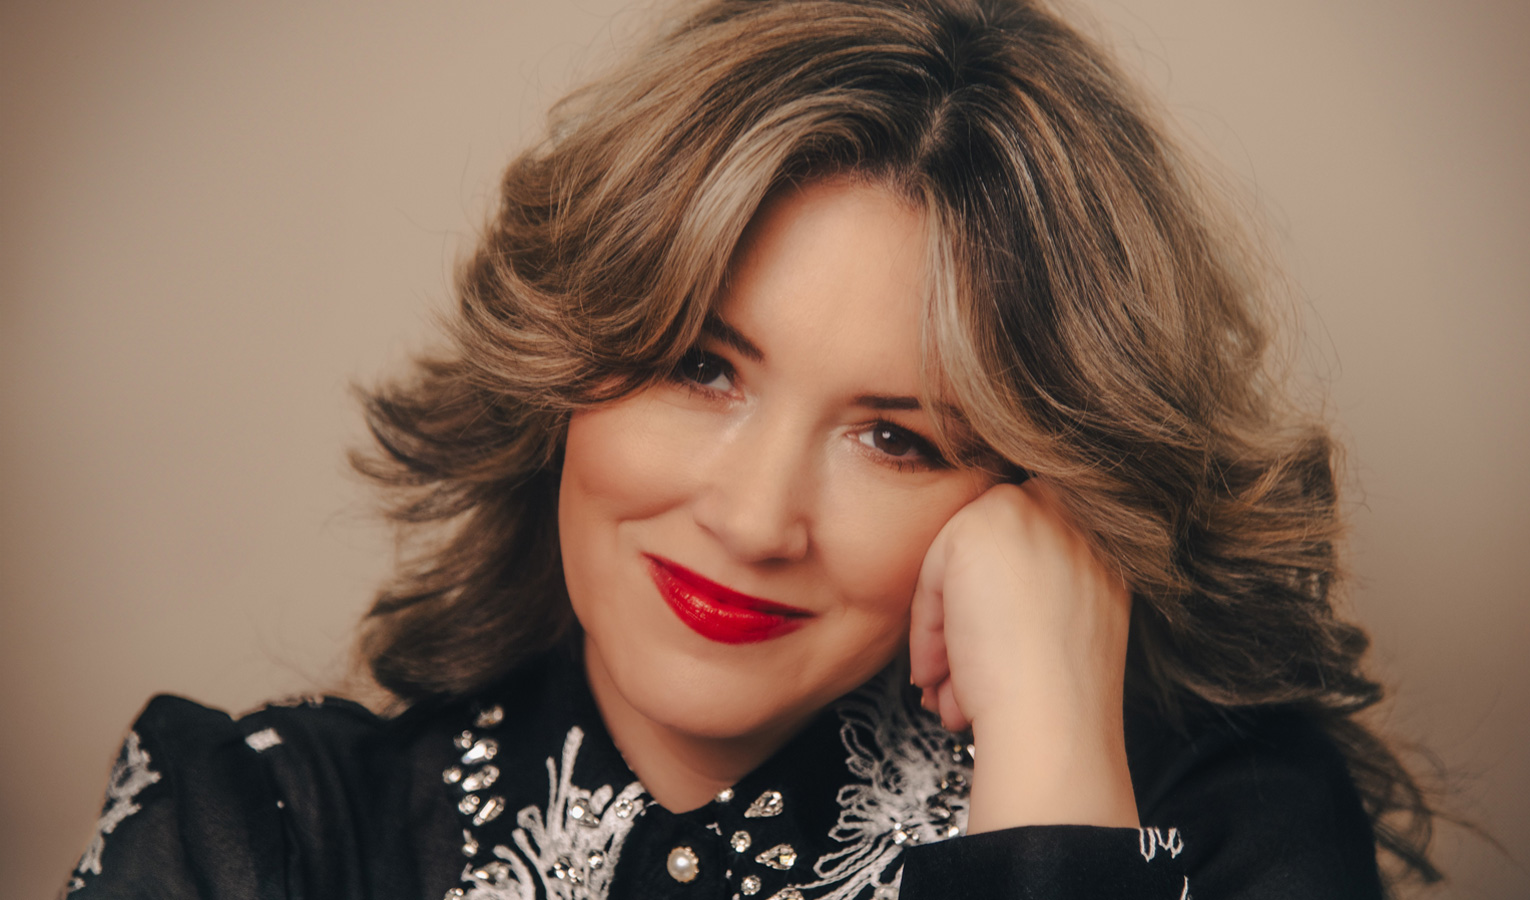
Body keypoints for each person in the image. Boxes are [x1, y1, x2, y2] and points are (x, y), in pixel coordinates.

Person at [64, 0, 1442, 897]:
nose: (756, 514)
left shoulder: (1224, 829)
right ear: (566, 368)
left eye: (898, 437)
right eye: (700, 367)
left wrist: (1056, 770)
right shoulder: (262, 829)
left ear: (1039, 497)